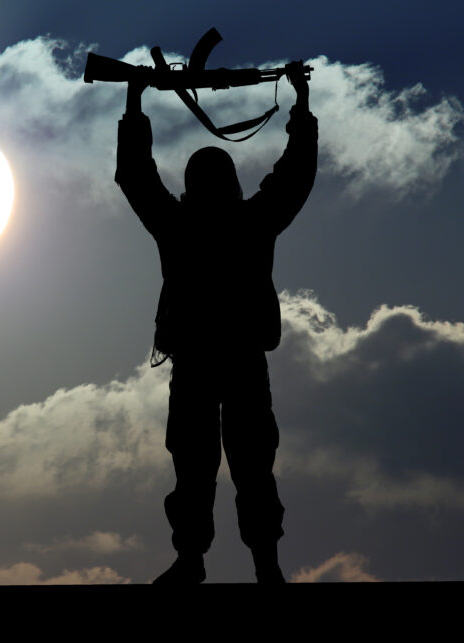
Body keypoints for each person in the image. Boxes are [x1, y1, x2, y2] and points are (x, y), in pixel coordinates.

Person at [114, 66, 318, 584]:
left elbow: (136, 176)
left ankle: (202, 561)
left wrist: (136, 104)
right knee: (233, 465)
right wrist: (301, 106)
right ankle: (255, 565)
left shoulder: (180, 226)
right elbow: (295, 175)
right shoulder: (250, 221)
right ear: (230, 184)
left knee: (204, 465)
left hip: (206, 361)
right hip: (233, 359)